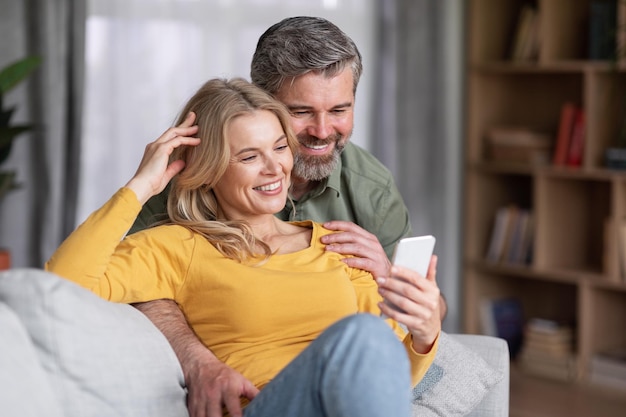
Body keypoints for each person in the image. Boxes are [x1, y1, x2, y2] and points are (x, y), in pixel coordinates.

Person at [45, 78, 441, 417]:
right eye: (250, 156)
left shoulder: (340, 243)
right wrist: (140, 186)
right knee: (363, 333)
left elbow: (381, 389)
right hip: (265, 404)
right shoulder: (176, 247)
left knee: (369, 337)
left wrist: (424, 334)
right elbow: (61, 288)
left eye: (280, 147)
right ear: (210, 168)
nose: (274, 168)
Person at [130, 16, 446, 417]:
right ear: (260, 104)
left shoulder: (370, 187)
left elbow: (425, 317)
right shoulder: (196, 180)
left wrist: (391, 279)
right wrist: (196, 360)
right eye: (301, 112)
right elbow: (140, 281)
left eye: (339, 109)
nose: (322, 130)